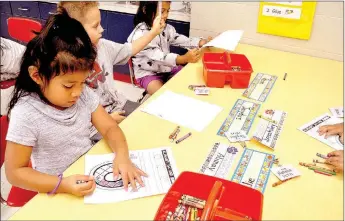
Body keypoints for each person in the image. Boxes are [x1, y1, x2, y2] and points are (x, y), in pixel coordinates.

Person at [5, 10, 145, 197]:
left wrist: (122, 155)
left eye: (83, 82)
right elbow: (15, 172)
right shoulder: (26, 113)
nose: (78, 92)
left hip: (88, 177)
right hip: (56, 189)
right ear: (37, 75)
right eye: (68, 85)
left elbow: (110, 128)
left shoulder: (83, 94)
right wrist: (62, 184)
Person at [58, 2, 164, 134]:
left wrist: (153, 32)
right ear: (75, 31)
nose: (102, 29)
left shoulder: (102, 46)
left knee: (156, 122)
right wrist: (105, 120)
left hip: (118, 105)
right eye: (95, 26)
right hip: (93, 125)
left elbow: (129, 49)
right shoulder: (65, 64)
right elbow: (72, 117)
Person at [127, 1, 211, 95]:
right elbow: (158, 57)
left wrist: (200, 42)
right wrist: (183, 59)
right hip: (147, 74)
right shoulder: (140, 35)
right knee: (164, 97)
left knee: (192, 80)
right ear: (146, 10)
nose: (166, 15)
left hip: (167, 68)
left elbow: (180, 39)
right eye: (162, 11)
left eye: (168, 11)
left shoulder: (166, 28)